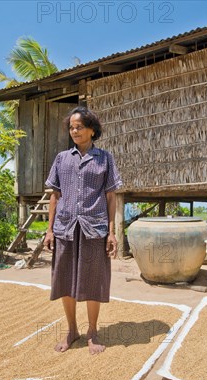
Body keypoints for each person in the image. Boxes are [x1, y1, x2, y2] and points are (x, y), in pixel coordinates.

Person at [43, 106, 122, 355]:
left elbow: (111, 197)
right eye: (71, 127)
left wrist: (111, 232)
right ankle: (72, 330)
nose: (74, 131)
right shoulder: (61, 159)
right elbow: (55, 196)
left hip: (94, 228)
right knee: (65, 280)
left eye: (79, 127)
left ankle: (93, 331)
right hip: (65, 227)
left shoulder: (104, 158)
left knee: (93, 280)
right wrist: (49, 230)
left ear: (91, 130)